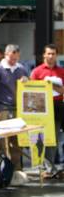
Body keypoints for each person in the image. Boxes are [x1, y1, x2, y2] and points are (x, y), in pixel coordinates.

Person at [0, 44, 28, 184]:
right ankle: (2, 171)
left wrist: (26, 81)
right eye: (11, 58)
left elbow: (27, 89)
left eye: (16, 58)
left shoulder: (21, 68)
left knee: (17, 142)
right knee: (2, 143)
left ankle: (16, 171)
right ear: (6, 54)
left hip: (18, 109)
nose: (13, 61)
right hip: (2, 109)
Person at [30, 44, 64, 176]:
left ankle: (50, 168)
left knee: (53, 138)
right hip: (40, 108)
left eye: (53, 54)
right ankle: (42, 166)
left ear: (56, 55)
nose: (51, 56)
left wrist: (52, 86)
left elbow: (62, 90)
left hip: (57, 107)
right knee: (39, 138)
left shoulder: (61, 71)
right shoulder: (37, 71)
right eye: (48, 53)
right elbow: (31, 90)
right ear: (44, 55)